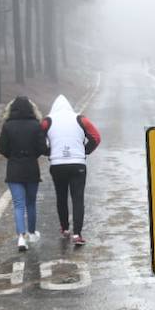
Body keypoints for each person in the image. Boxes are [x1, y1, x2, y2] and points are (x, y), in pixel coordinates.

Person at [41, 94, 101, 247]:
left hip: (57, 164)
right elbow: (96, 137)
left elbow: (37, 140)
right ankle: (77, 234)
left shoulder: (47, 121)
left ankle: (65, 229)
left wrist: (49, 152)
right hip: (77, 163)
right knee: (78, 198)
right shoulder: (81, 119)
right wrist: (85, 151)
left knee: (61, 196)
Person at [0, 95, 47, 251]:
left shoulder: (7, 126)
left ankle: (21, 237)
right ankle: (32, 233)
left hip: (14, 169)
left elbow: (2, 148)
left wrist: (13, 157)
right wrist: (31, 156)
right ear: (31, 109)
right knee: (31, 203)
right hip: (31, 168)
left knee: (18, 204)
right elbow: (42, 148)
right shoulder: (35, 125)